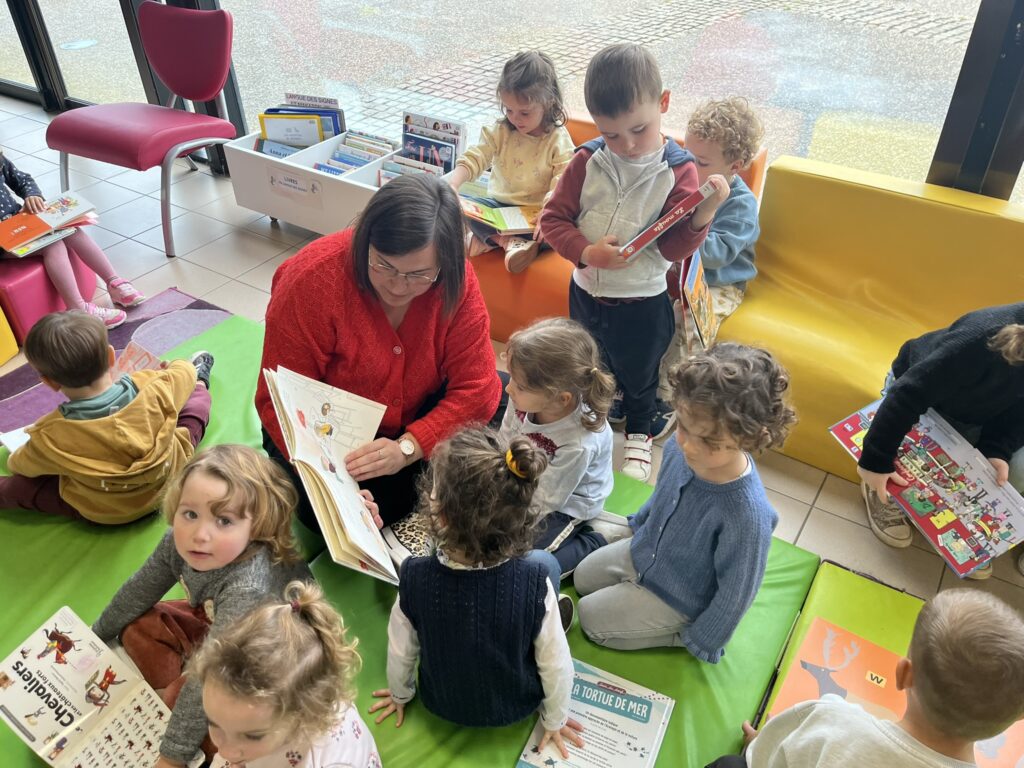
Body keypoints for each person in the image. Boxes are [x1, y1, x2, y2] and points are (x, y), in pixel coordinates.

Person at [256, 173, 502, 529]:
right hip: (325, 432)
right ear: (365, 239)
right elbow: (279, 399)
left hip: (407, 428)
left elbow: (478, 387)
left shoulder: (455, 280)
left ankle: (411, 493)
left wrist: (409, 447)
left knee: (500, 400)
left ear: (445, 263)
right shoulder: (313, 279)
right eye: (384, 265)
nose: (398, 286)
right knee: (330, 513)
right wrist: (335, 480)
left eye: (419, 274)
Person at [539, 43, 730, 481]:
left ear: (663, 103)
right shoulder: (587, 160)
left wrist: (703, 213)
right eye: (610, 134)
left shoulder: (678, 170)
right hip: (585, 293)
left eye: (639, 130)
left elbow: (672, 248)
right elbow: (552, 220)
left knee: (641, 374)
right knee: (588, 364)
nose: (625, 145)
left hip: (643, 301)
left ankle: (640, 431)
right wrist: (586, 252)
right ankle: (594, 420)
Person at [91, 444, 320, 768]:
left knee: (199, 705)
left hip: (269, 663)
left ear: (255, 528)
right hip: (221, 628)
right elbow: (139, 590)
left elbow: (212, 677)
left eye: (224, 520)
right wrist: (94, 637)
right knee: (137, 626)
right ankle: (174, 701)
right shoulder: (178, 541)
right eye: (190, 514)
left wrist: (171, 757)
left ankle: (179, 712)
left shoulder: (248, 588)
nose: (199, 534)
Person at [370, 427, 584, 760]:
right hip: (518, 704)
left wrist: (400, 694)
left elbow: (401, 651)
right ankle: (545, 613)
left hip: (440, 703)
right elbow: (557, 665)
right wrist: (554, 720)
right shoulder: (534, 580)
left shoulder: (413, 576)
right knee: (546, 564)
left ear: (441, 515)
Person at [573, 343, 796, 661]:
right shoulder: (680, 449)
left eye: (710, 441)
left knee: (590, 619)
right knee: (582, 578)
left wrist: (704, 639)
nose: (689, 446)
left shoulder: (748, 514)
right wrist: (639, 524)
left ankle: (678, 632)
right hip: (646, 552)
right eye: (684, 428)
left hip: (680, 598)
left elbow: (738, 591)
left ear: (750, 438)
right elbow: (662, 497)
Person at [718, 589, 1024, 768]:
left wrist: (759, 744)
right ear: (1015, 719)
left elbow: (769, 757)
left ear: (904, 674)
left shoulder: (831, 718)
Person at [856, 304, 1024, 578]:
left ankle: (955, 517)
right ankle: (879, 490)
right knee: (901, 452)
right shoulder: (982, 335)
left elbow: (1019, 410)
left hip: (976, 412)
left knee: (998, 471)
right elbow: (910, 393)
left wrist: (997, 449)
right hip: (919, 392)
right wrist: (875, 461)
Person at [0, 311, 214, 523]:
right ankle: (201, 383)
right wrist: (176, 367)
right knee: (196, 406)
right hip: (169, 480)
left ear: (49, 382)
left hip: (105, 511)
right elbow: (185, 372)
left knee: (21, 488)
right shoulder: (153, 384)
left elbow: (18, 466)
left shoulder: (49, 435)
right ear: (111, 356)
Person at [189, 580, 381, 768]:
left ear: (305, 718)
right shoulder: (259, 719)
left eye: (253, 736)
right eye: (212, 722)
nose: (225, 751)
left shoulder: (327, 761)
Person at [499, 317, 625, 575]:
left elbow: (548, 499)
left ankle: (595, 540)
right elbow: (505, 438)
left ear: (560, 399)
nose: (508, 388)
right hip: (528, 479)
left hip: (569, 503)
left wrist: (506, 517)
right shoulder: (522, 398)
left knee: (526, 563)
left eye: (519, 386)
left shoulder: (579, 442)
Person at [658, 97, 765, 400]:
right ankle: (635, 381)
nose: (689, 166)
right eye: (687, 154)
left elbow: (717, 255)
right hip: (675, 273)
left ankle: (669, 396)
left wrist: (683, 231)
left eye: (702, 163)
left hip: (718, 283)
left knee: (685, 323)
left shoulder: (741, 204)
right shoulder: (685, 180)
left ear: (735, 167)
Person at [448, 51, 574, 273]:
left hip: (535, 215)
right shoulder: (501, 131)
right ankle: (506, 242)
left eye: (525, 113)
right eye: (509, 110)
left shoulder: (556, 139)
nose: (515, 118)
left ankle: (489, 240)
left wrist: (549, 211)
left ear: (548, 103)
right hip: (498, 211)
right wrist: (453, 184)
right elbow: (477, 156)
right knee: (454, 209)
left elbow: (563, 180)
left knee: (557, 231)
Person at [0, 150, 145, 328]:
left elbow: (23, 180)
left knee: (71, 228)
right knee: (54, 245)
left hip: (18, 223)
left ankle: (114, 281)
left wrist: (32, 195)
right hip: (3, 242)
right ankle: (78, 309)